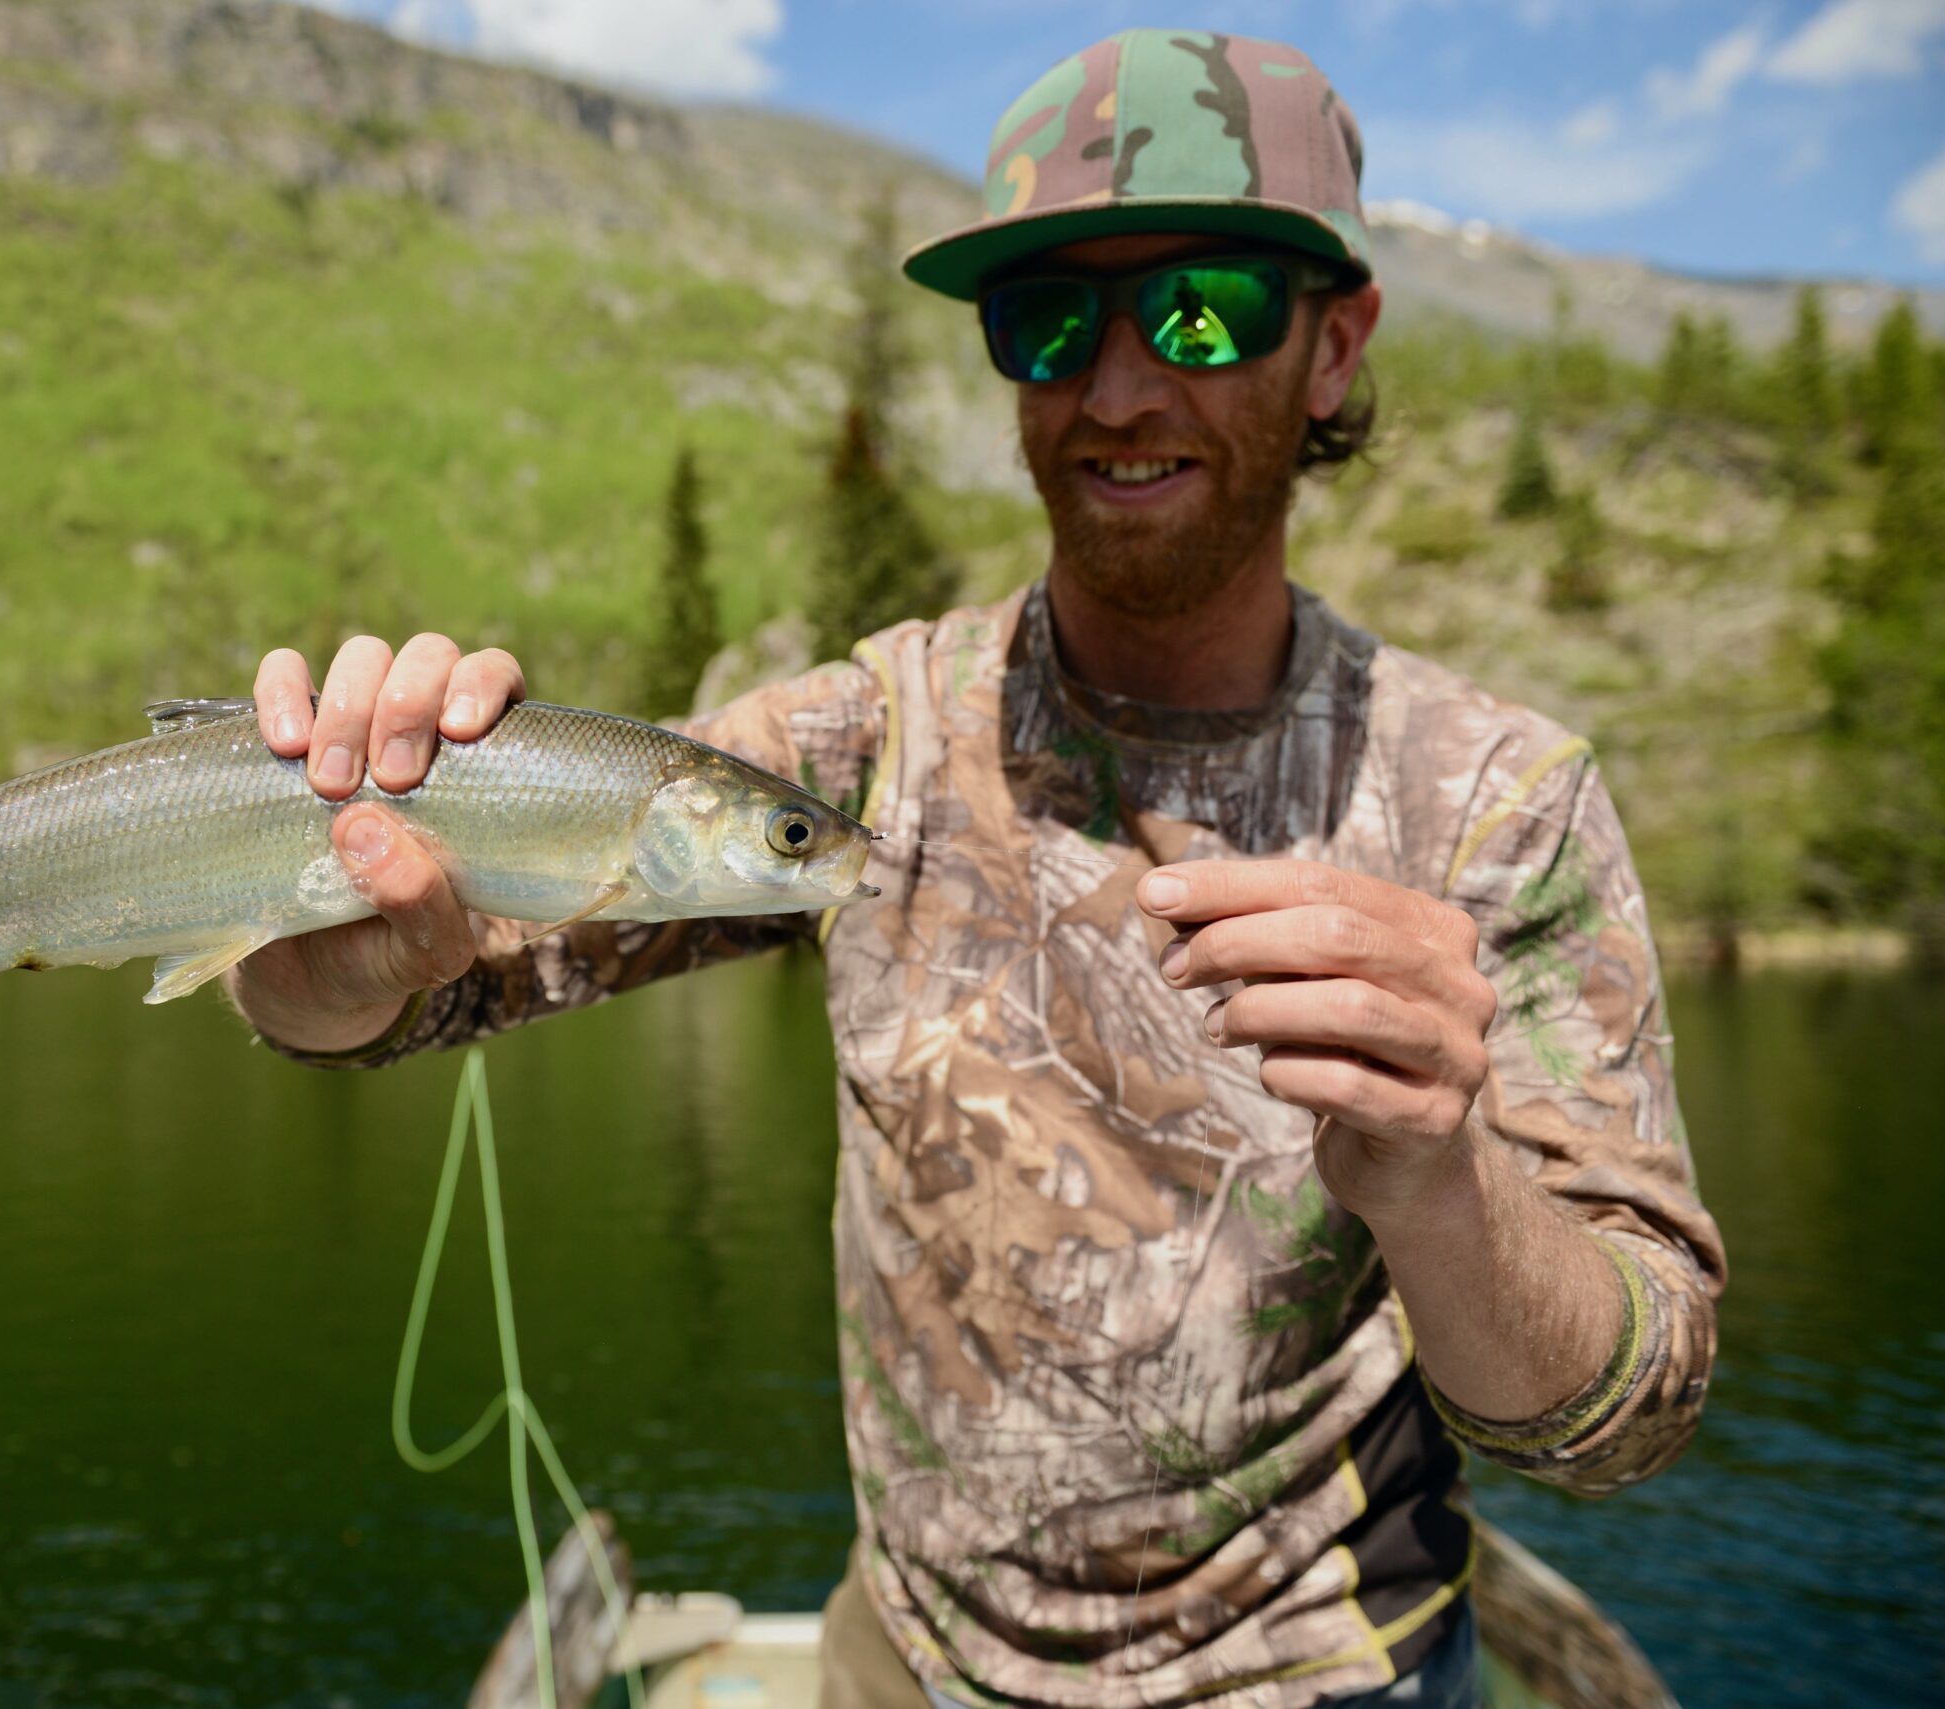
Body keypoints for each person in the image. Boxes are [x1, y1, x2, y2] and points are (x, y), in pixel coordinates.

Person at [223, 28, 1724, 1709]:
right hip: (905, 1669)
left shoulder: (1499, 800)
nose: (1119, 388)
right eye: (1049, 321)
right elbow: (421, 983)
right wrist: (330, 947)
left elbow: (1629, 1410)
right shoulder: (881, 738)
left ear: (1334, 343)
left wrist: (1447, 1179)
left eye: (1205, 310)